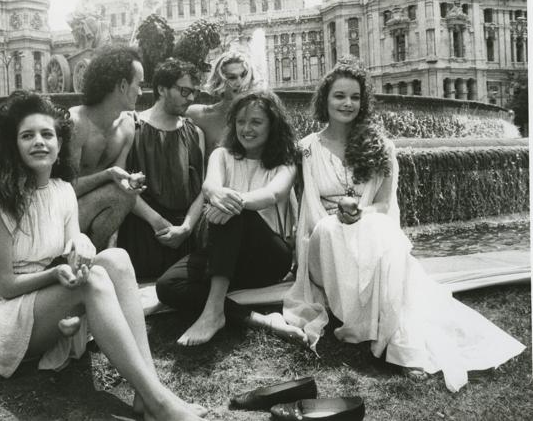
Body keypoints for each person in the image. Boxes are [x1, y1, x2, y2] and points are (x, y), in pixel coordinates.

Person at [281, 56, 525, 392]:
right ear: (325, 99)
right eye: (339, 96)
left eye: (355, 97)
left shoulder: (382, 147)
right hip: (324, 239)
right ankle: (399, 341)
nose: (347, 103)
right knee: (335, 231)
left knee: (383, 233)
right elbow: (301, 207)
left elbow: (383, 205)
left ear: (363, 102)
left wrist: (358, 216)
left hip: (370, 234)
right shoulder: (306, 149)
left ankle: (401, 341)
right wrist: (338, 219)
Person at [0, 91, 206, 421]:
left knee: (116, 258)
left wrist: (82, 247)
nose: (39, 142)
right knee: (89, 284)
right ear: (13, 145)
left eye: (47, 134)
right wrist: (55, 275)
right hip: (2, 316)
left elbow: (75, 236)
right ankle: (160, 404)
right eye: (27, 135)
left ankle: (146, 394)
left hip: (41, 302)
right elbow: (5, 286)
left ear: (60, 143)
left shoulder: (62, 190)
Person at [156, 90, 304, 346]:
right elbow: (210, 187)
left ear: (273, 126)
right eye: (240, 122)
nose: (246, 129)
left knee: (234, 210)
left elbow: (273, 193)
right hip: (223, 252)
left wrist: (231, 201)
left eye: (256, 122)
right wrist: (217, 195)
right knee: (167, 286)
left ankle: (213, 311)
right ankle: (261, 320)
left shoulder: (286, 161)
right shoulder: (221, 155)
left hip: (268, 258)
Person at [117, 58, 206, 278]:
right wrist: (156, 221)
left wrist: (186, 227)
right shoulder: (131, 125)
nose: (191, 98)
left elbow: (203, 190)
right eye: (185, 91)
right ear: (162, 89)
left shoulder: (195, 133)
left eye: (194, 92)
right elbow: (120, 183)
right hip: (143, 230)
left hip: (185, 234)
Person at [69, 44, 146, 250]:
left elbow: (118, 186)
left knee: (125, 195)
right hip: (60, 215)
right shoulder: (77, 123)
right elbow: (64, 190)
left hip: (92, 213)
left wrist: (129, 182)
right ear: (122, 85)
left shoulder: (128, 126)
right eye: (138, 84)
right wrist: (107, 175)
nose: (140, 91)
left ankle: (98, 258)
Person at [186, 50, 263, 156]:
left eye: (244, 75)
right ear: (219, 82)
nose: (240, 83)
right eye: (232, 77)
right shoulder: (197, 114)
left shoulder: (263, 116)